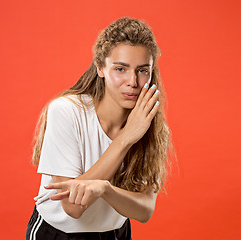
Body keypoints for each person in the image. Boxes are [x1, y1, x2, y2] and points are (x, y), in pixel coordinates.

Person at [26, 17, 173, 240]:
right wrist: (125, 138)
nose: (132, 81)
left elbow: (145, 211)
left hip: (114, 234)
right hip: (58, 234)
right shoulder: (66, 111)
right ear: (100, 68)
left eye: (142, 70)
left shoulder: (149, 125)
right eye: (121, 68)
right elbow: (73, 207)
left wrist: (105, 189)